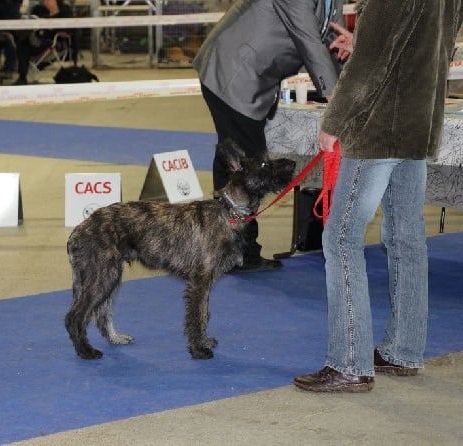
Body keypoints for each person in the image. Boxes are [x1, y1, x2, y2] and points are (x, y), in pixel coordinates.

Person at [294, 0, 463, 393]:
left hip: (378, 131)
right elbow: (434, 44)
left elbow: (373, 65)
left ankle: (348, 362)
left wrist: (335, 120)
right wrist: (367, 39)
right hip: (418, 124)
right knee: (406, 238)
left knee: (341, 239)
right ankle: (403, 350)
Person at [192, 0, 347, 273]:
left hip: (253, 76)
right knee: (248, 166)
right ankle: (238, 252)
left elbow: (334, 38)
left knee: (234, 159)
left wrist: (351, 86)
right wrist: (336, 98)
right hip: (233, 71)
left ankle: (225, 247)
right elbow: (309, 40)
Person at [12, 0, 72, 85]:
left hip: (54, 43)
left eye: (49, 0)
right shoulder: (41, 11)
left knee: (28, 45)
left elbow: (68, 31)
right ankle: (22, 77)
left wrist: (51, 26)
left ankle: (23, 74)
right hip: (39, 39)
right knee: (22, 44)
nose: (46, 2)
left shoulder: (65, 13)